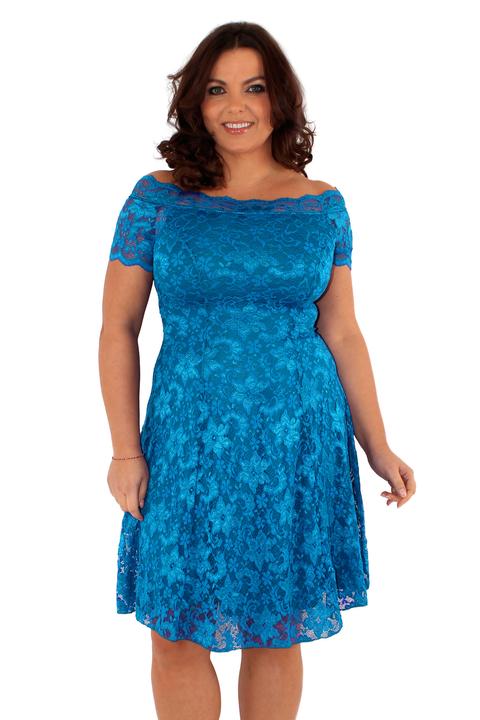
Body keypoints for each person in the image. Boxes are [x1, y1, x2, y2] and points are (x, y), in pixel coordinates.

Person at [99, 21, 416, 720]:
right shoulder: (157, 199)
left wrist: (378, 445)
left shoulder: (322, 204)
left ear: (281, 101)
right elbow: (118, 328)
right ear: (195, 102)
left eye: (254, 87)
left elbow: (342, 330)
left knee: (277, 627)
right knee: (175, 629)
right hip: (187, 440)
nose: (235, 105)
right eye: (217, 89)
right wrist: (124, 450)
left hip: (296, 440)